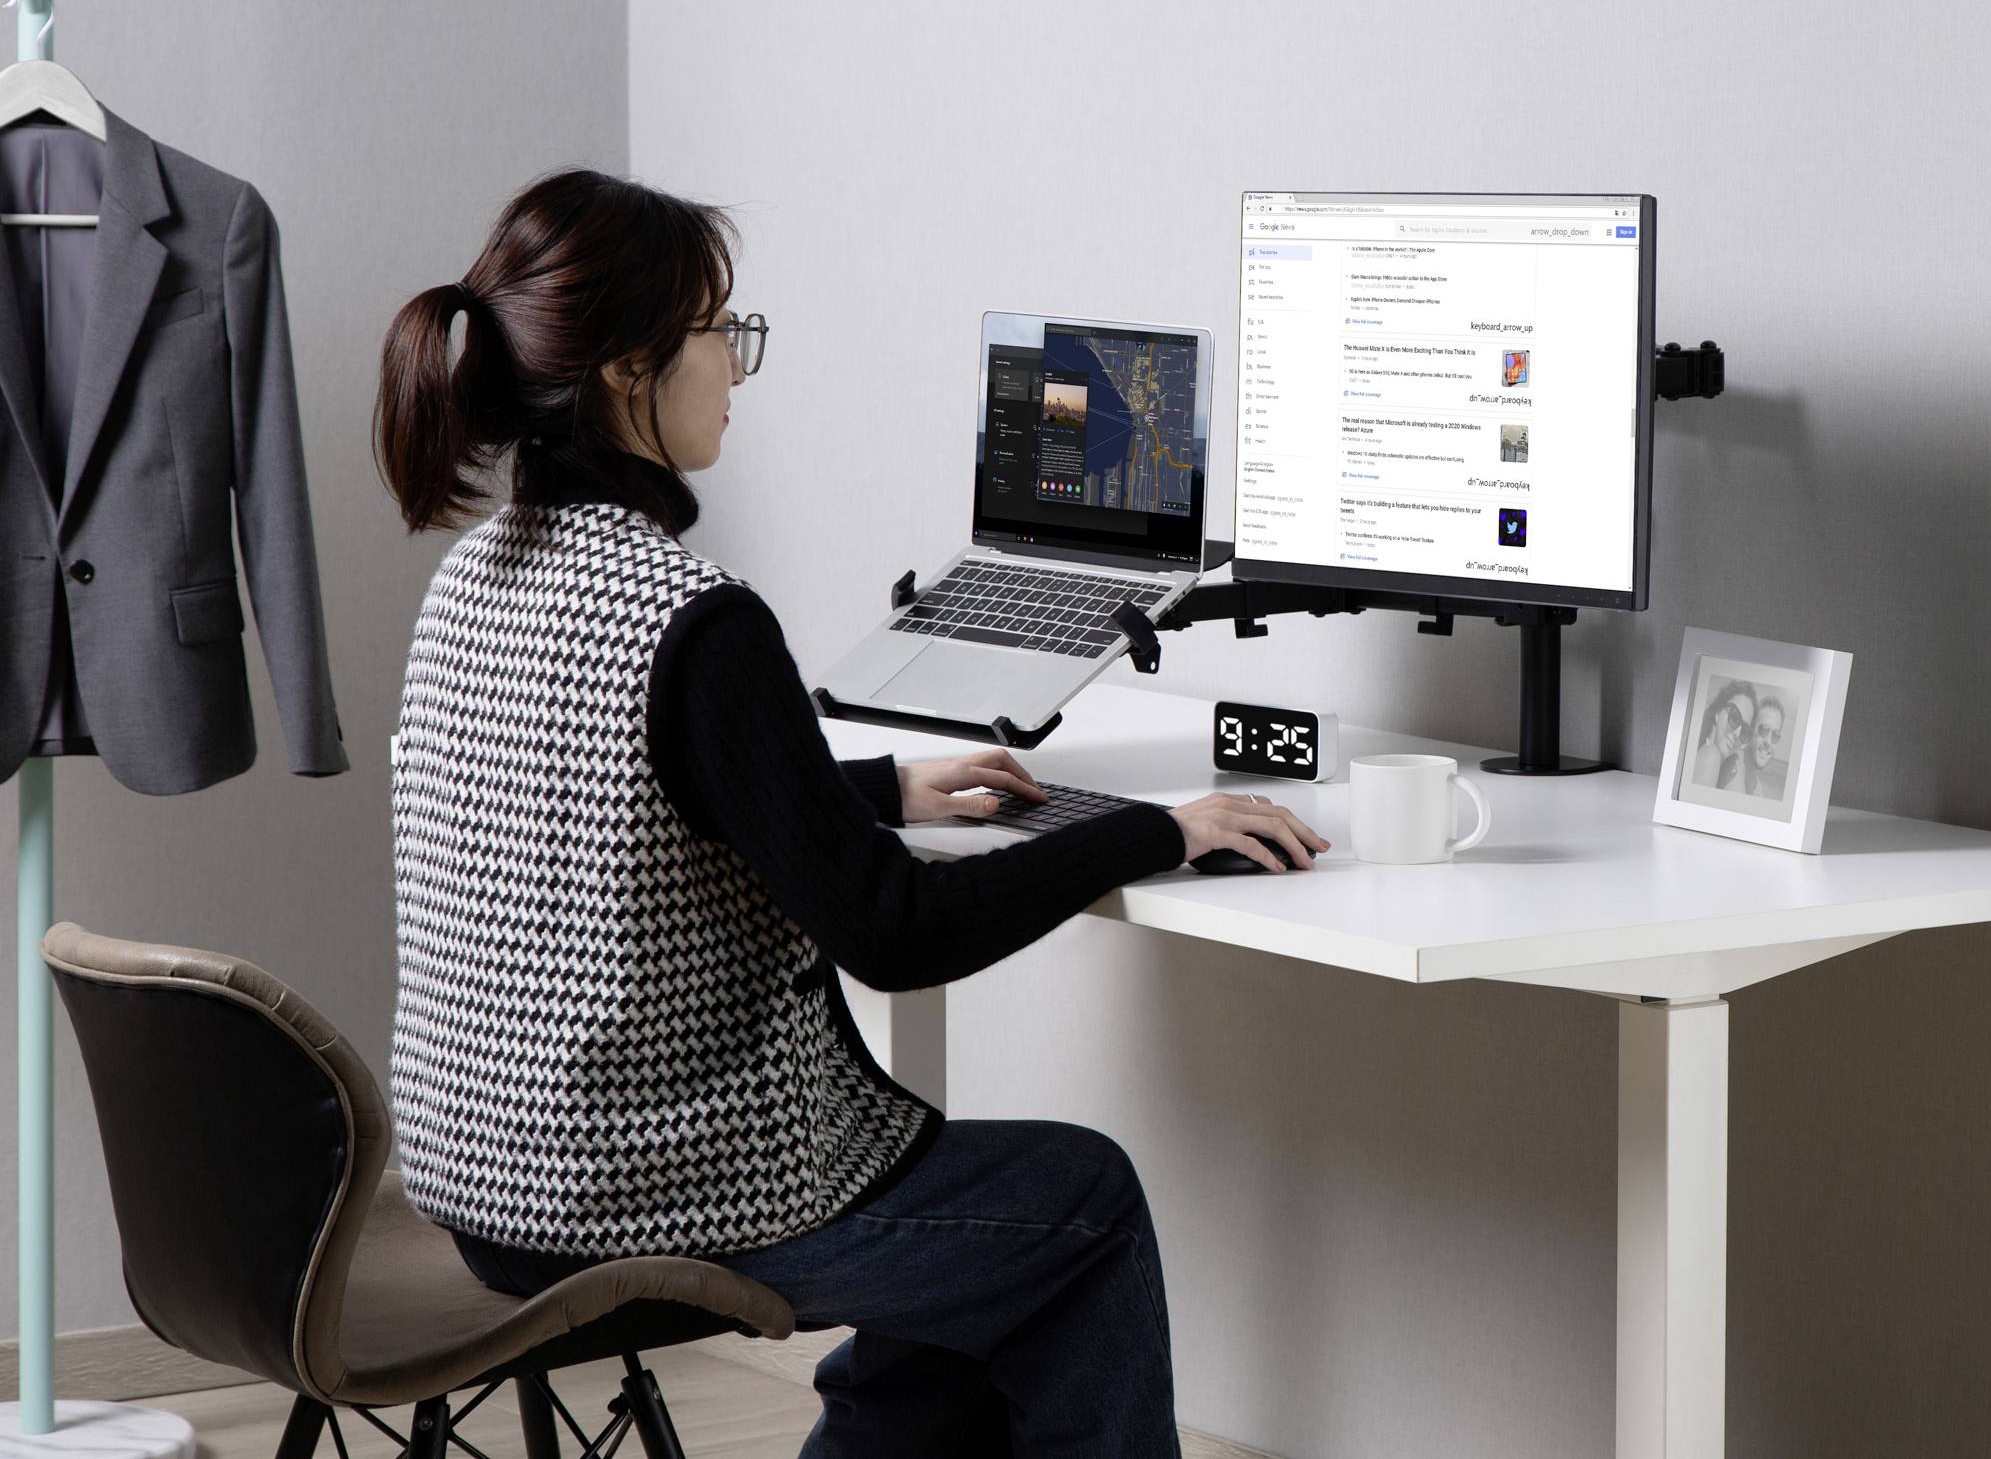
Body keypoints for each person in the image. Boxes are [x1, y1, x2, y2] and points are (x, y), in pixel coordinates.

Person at [374, 169, 1327, 1459]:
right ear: (624, 370)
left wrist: (876, 789)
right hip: (653, 1188)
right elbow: (893, 929)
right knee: (1078, 1201)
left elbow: (598, 799)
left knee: (975, 1249)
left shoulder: (472, 577)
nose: (737, 367)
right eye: (720, 329)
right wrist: (1157, 827)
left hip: (484, 1174)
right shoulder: (691, 616)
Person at [1689, 680, 1756, 791]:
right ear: (1717, 713)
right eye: (1734, 717)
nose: (1737, 733)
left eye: (1745, 730)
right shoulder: (1711, 755)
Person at [1742, 694, 1790, 801]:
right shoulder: (1732, 771)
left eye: (1775, 735)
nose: (1768, 741)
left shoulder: (1758, 789)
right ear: (1750, 730)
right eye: (1763, 730)